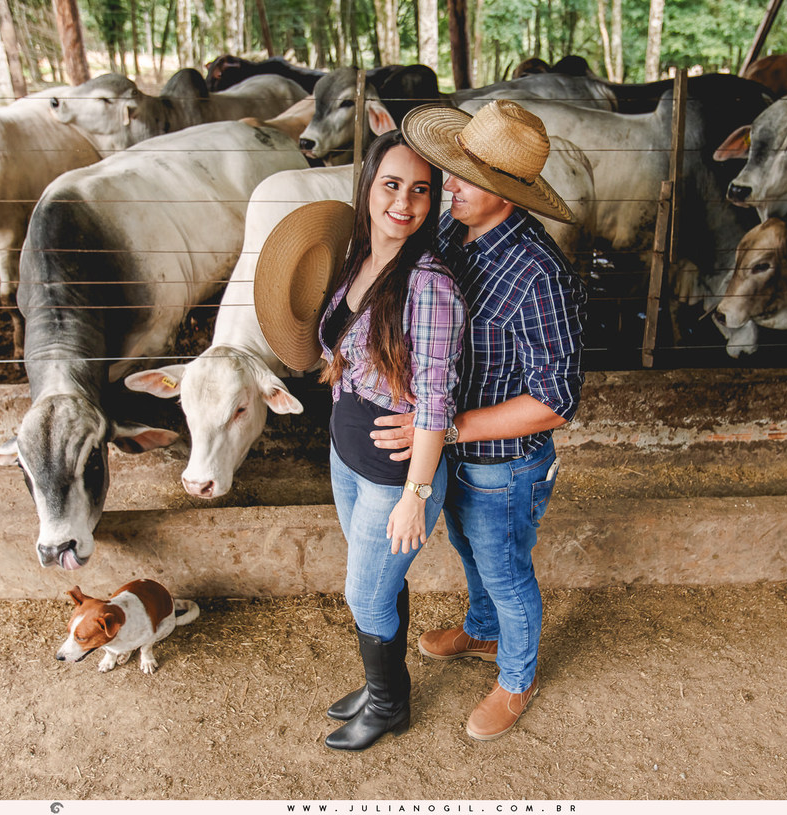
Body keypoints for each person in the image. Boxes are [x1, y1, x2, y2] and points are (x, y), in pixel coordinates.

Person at [374, 100, 586, 741]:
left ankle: (517, 679)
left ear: (508, 194)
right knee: (468, 547)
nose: (449, 186)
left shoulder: (541, 276)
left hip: (505, 461)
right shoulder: (448, 230)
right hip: (451, 446)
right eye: (452, 172)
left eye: (464, 179)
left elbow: (556, 401)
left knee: (506, 568)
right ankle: (483, 632)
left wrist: (446, 427)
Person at [289, 130, 466, 752]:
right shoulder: (355, 261)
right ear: (368, 188)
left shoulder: (428, 285)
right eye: (392, 185)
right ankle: (381, 685)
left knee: (363, 592)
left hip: (395, 475)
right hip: (347, 457)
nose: (405, 202)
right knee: (381, 587)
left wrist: (417, 495)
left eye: (421, 191)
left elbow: (437, 400)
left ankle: (390, 705)